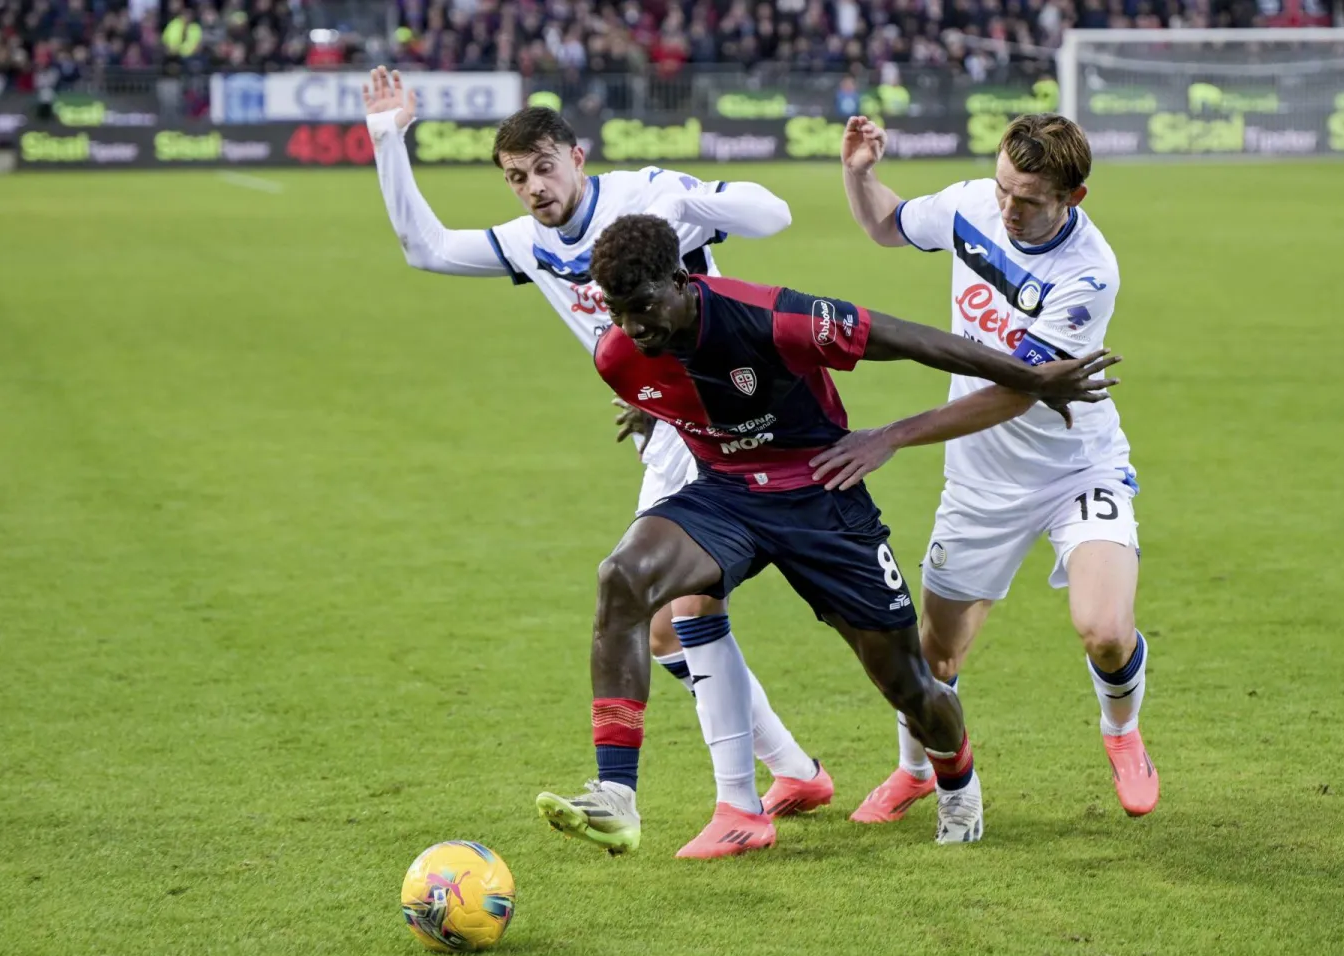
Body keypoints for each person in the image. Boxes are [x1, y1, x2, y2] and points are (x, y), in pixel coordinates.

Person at [534, 212, 1120, 855]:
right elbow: (668, 390)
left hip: (823, 496)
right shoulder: (619, 354)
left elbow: (906, 338)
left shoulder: (772, 315)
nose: (633, 327)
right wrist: (647, 415)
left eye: (643, 307)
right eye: (618, 312)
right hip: (727, 496)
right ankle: (617, 796)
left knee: (909, 684)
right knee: (623, 576)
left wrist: (1030, 377)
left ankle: (956, 780)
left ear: (681, 279)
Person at [360, 67, 835, 853]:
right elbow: (427, 248)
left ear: (577, 157)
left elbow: (774, 213)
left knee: (678, 607)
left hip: (725, 412)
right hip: (669, 428)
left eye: (544, 167)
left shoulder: (645, 196)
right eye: (516, 177)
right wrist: (388, 138)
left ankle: (735, 807)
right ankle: (791, 770)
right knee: (659, 630)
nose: (534, 188)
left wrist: (692, 203)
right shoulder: (529, 243)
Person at [824, 112, 1158, 823]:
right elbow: (888, 226)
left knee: (1103, 628)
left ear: (1074, 198)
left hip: (1077, 468)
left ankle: (1122, 733)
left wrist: (892, 435)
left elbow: (1013, 392)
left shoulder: (1088, 274)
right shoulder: (974, 202)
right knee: (933, 657)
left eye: (1028, 199)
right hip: (980, 481)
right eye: (1005, 187)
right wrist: (860, 175)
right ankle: (915, 770)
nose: (1007, 207)